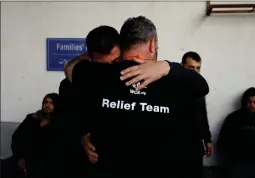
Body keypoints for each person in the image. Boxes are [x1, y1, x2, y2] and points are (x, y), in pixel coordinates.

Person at [70, 16, 209, 178]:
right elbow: (202, 86)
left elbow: (70, 67)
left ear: (121, 45)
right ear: (152, 44)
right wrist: (167, 67)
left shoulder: (96, 75)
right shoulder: (178, 82)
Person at [57, 25, 121, 178]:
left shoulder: (135, 76)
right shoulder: (71, 84)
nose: (109, 72)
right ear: (90, 58)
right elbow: (69, 120)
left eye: (115, 62)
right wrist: (82, 137)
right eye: (102, 67)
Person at [217, 87, 255, 178]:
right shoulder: (233, 118)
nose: (252, 105)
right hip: (237, 163)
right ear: (244, 102)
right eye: (249, 102)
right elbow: (223, 141)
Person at [11, 93, 60, 178]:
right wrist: (20, 156)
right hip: (33, 163)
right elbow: (18, 137)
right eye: (46, 102)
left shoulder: (61, 121)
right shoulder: (32, 118)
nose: (47, 105)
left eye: (51, 103)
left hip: (54, 164)